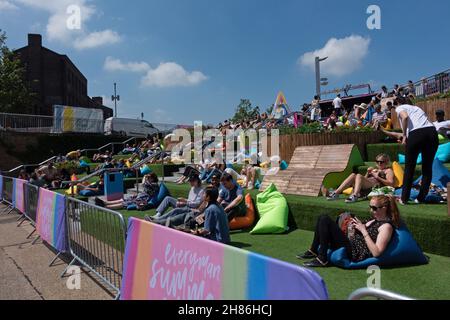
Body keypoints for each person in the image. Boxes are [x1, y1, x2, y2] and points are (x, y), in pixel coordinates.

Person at [298, 195, 400, 267]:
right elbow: (362, 229)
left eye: (374, 208)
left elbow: (376, 252)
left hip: (355, 251)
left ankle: (322, 259)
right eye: (370, 207)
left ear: (384, 208)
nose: (371, 210)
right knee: (321, 218)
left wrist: (363, 231)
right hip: (350, 242)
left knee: (325, 219)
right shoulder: (374, 219)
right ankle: (313, 250)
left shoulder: (386, 227)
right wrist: (355, 225)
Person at [383, 96, 439, 204]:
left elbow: (405, 117)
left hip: (417, 134)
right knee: (427, 168)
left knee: (409, 168)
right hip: (432, 133)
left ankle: (404, 199)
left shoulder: (400, 107)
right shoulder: (416, 108)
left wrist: (404, 135)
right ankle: (421, 198)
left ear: (398, 103)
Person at [327, 154, 395, 203]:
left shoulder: (388, 170)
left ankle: (355, 195)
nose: (379, 163)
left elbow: (391, 183)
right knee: (353, 175)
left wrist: (377, 176)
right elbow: (362, 180)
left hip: (375, 186)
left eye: (381, 162)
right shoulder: (375, 169)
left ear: (386, 162)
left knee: (358, 175)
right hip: (368, 185)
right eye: (377, 161)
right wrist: (368, 173)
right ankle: (336, 193)